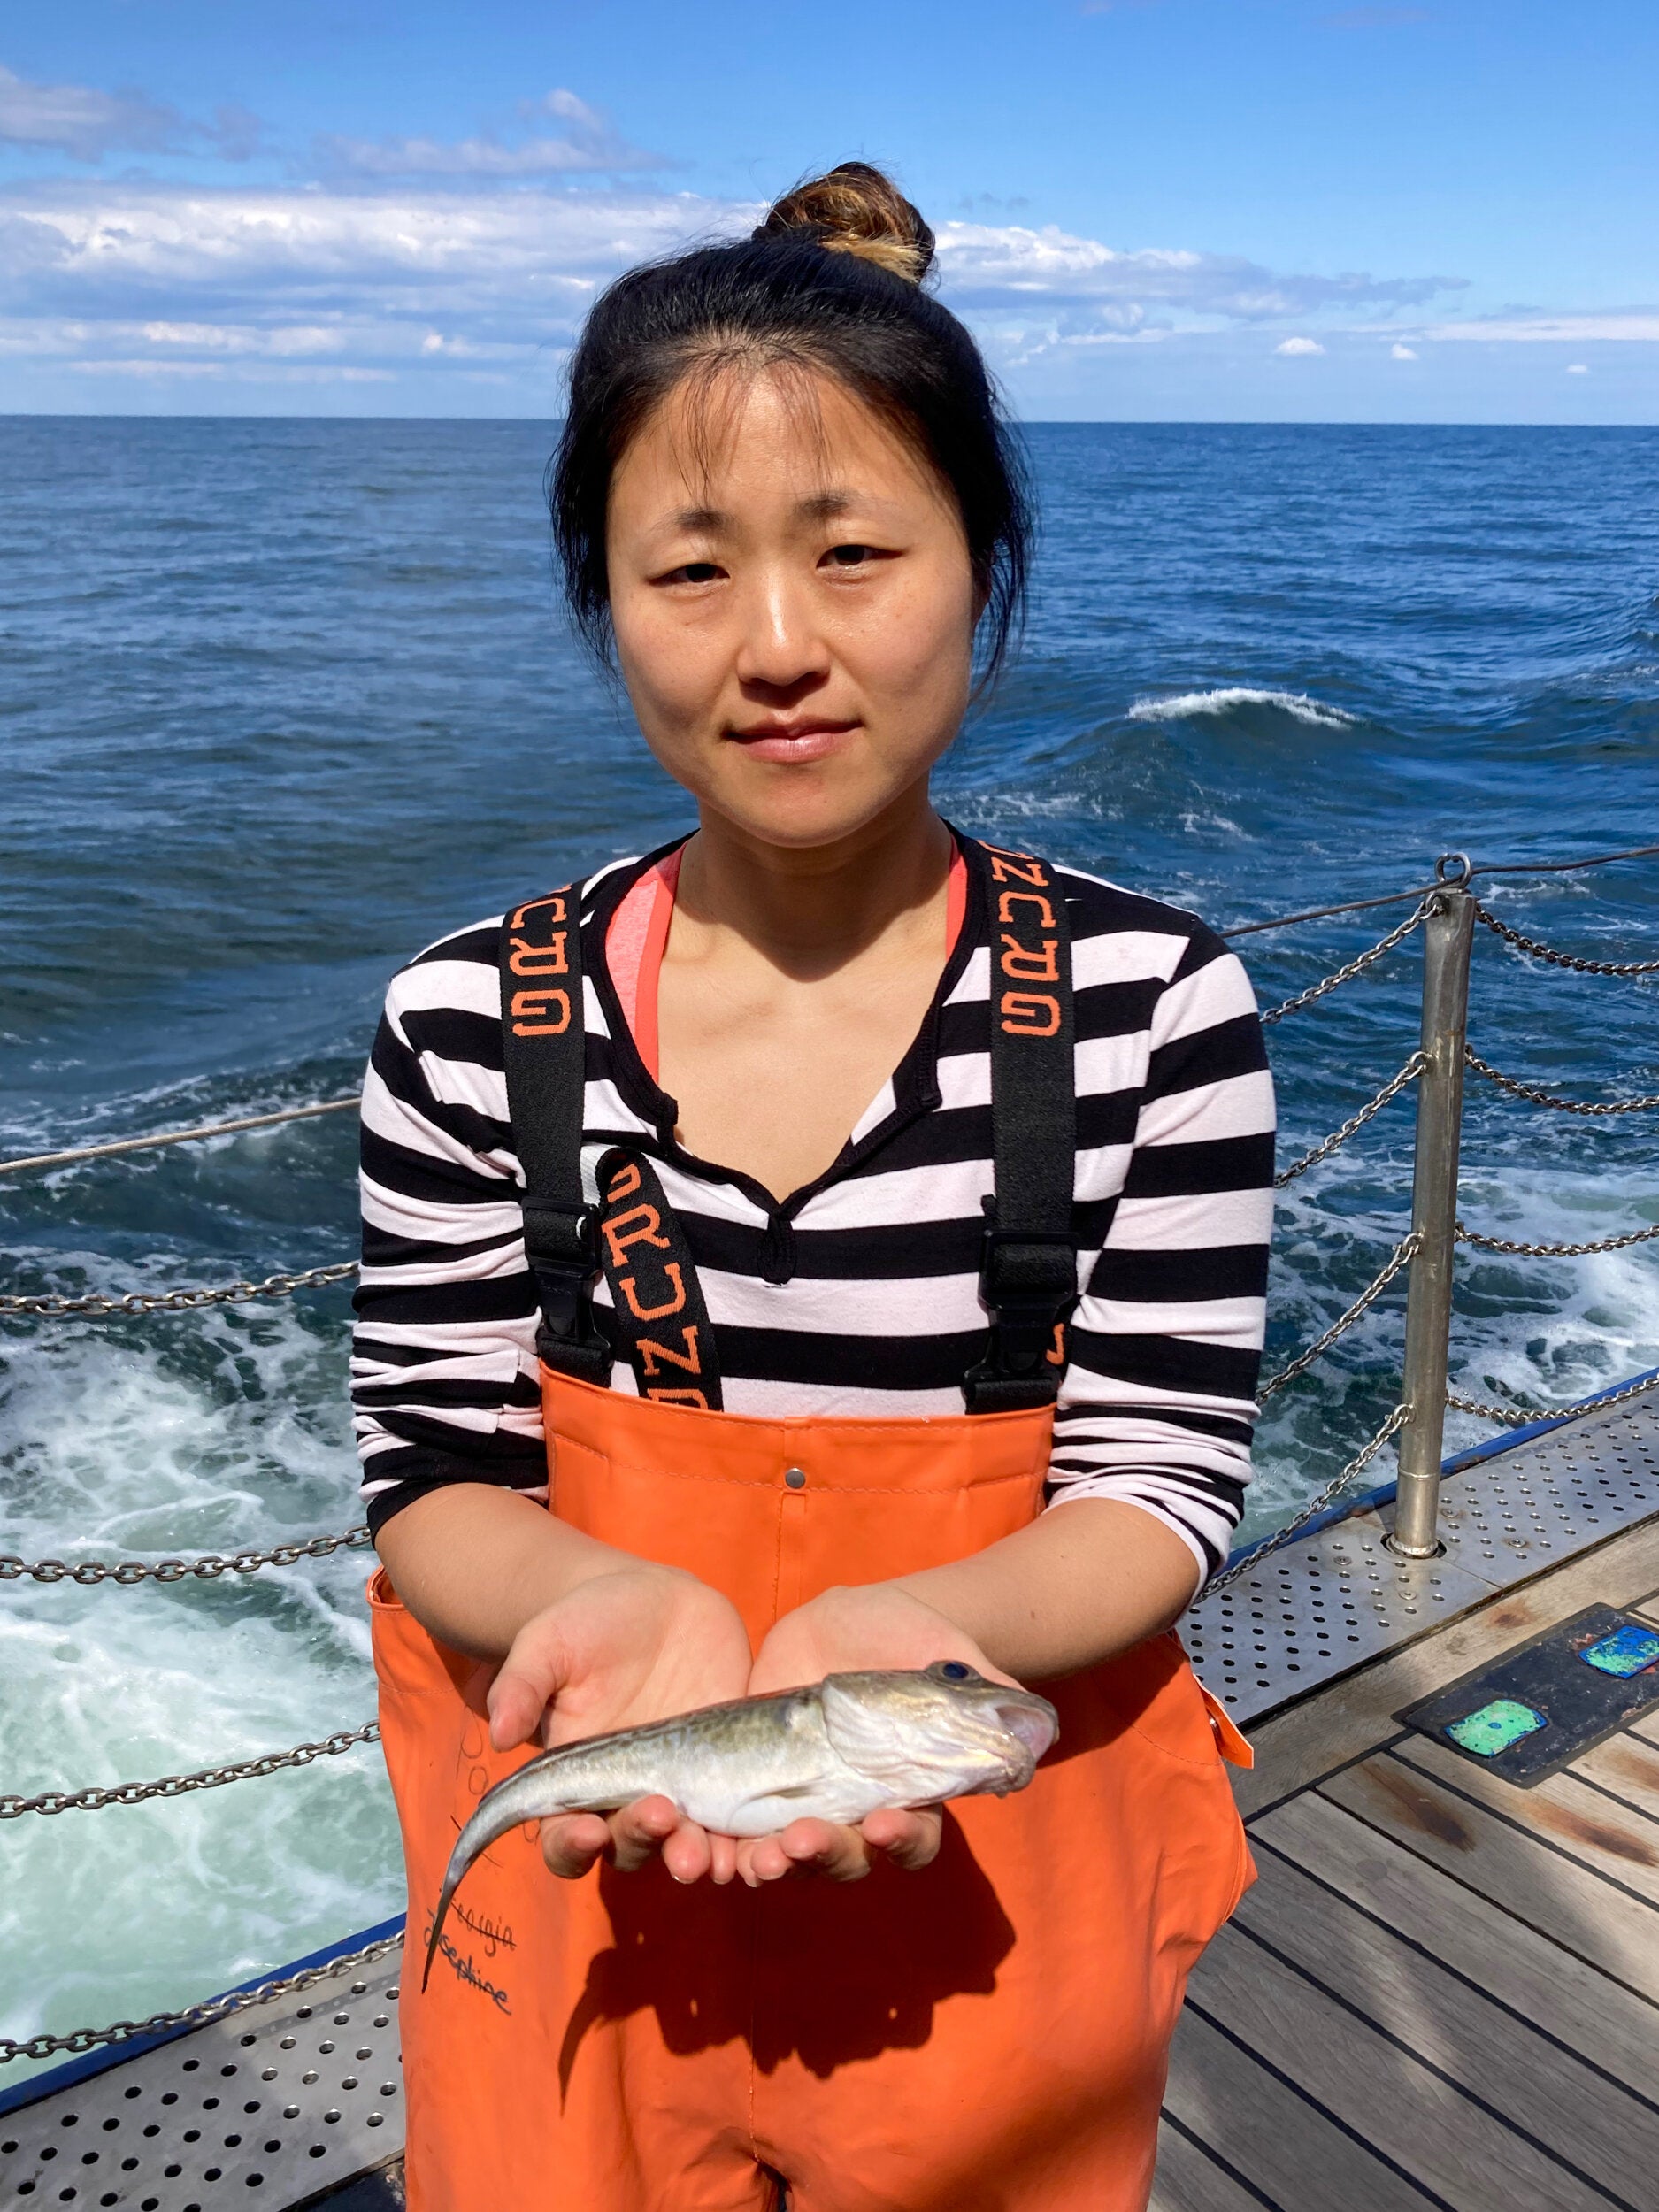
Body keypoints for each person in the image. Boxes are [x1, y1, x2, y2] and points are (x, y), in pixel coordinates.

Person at [354, 162, 1273, 2212]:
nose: (777, 644)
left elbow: (1158, 1476)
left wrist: (917, 1643)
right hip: (585, 1910)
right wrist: (588, 1598)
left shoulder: (1149, 1005)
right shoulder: (463, 1016)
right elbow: (428, 1463)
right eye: (689, 570)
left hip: (991, 1895)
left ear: (981, 563)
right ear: (603, 602)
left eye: (853, 550)